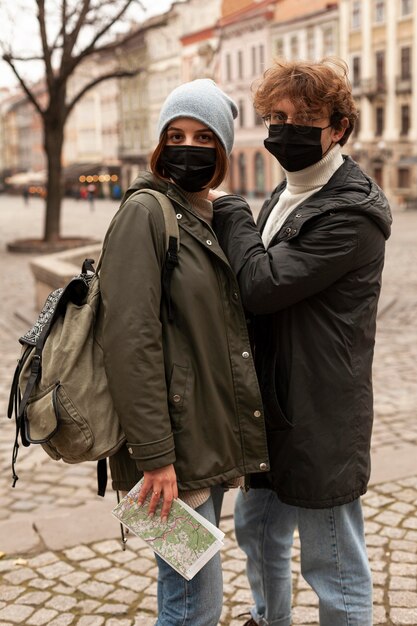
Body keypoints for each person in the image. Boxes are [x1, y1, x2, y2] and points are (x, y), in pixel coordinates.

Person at [210, 58, 392, 626]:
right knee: (258, 533)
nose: (283, 130)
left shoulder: (351, 211)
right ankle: (269, 619)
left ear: (338, 127)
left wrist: (231, 209)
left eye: (302, 119)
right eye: (274, 118)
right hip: (271, 405)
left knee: (332, 561)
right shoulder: (288, 194)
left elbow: (261, 285)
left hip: (319, 415)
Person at [98, 78, 269, 626]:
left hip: (202, 439)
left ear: (221, 149)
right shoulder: (145, 213)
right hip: (172, 450)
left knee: (195, 598)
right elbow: (131, 340)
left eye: (202, 136)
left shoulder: (202, 214)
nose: (188, 147)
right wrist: (156, 457)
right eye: (176, 134)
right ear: (159, 143)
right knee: (191, 605)